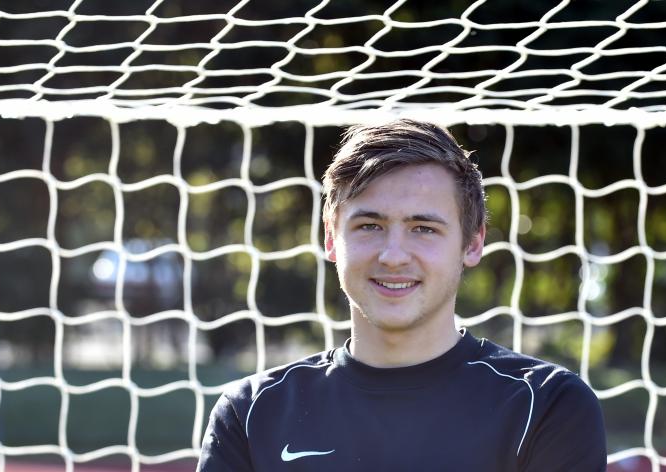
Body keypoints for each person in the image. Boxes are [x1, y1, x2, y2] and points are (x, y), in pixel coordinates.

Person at [197, 119, 607, 471]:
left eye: (423, 228)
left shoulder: (545, 406)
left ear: (473, 243)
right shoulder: (252, 414)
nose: (393, 256)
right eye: (369, 226)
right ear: (331, 239)